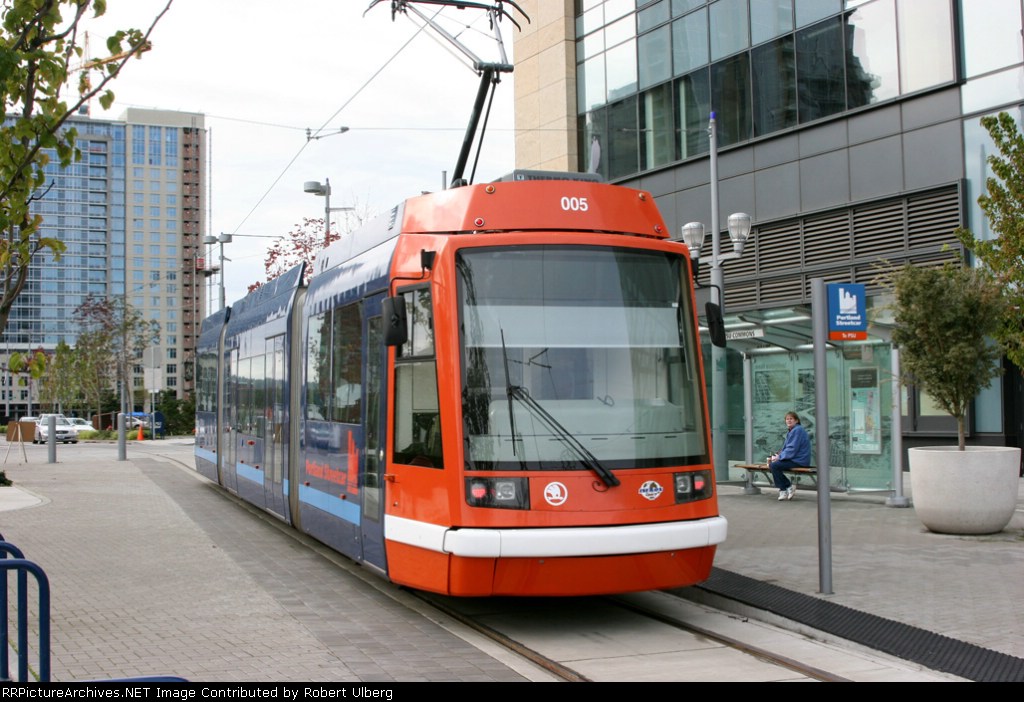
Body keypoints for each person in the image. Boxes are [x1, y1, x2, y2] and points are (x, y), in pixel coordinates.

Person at [768, 411, 811, 501]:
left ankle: (785, 488)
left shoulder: (797, 430)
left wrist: (779, 457)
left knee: (774, 466)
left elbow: (792, 449)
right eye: (787, 419)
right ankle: (785, 488)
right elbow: (787, 448)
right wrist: (778, 455)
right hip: (794, 459)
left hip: (799, 460)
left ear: (796, 421)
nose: (789, 421)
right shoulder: (792, 430)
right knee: (773, 465)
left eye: (791, 419)